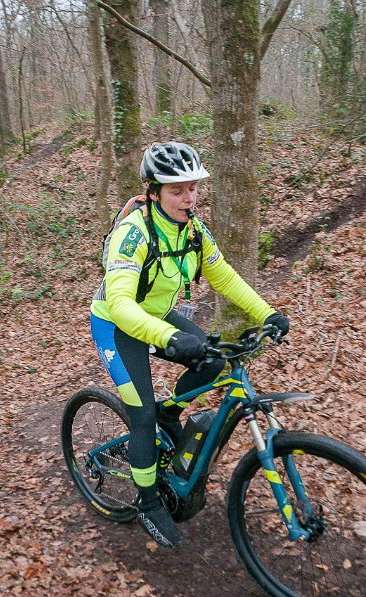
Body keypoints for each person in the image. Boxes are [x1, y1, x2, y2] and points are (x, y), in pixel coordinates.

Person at [90, 142, 289, 549]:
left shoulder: (195, 231)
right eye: (177, 190)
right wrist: (169, 338)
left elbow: (224, 276)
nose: (189, 197)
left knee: (212, 362)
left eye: (193, 188)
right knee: (142, 415)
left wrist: (266, 313)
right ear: (154, 193)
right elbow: (121, 304)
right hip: (116, 325)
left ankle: (171, 411)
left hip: (158, 316)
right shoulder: (134, 233)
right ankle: (147, 502)